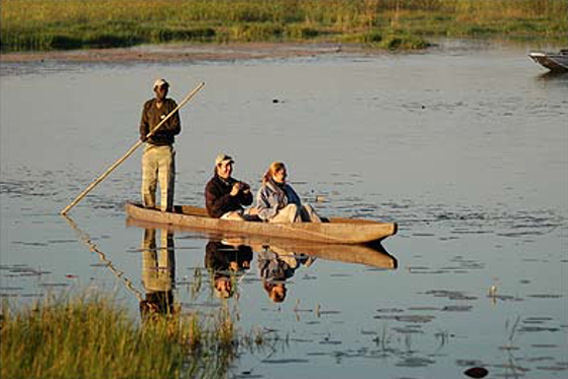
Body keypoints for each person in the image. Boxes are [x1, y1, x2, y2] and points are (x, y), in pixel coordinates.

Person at [140, 78, 181, 212]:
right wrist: (144, 135)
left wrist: (161, 131)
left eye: (166, 89)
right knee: (148, 183)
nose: (164, 91)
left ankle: (166, 210)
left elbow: (176, 128)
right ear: (155, 90)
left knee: (166, 183)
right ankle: (149, 208)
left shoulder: (171, 105)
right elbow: (143, 125)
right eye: (161, 89)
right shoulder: (148, 105)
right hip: (150, 148)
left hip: (165, 149)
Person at [255, 161, 321, 223]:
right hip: (274, 217)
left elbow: (298, 202)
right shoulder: (264, 190)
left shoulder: (288, 188)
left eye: (285, 173)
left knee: (307, 206)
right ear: (274, 174)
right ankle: (298, 228)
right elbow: (261, 212)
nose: (286, 176)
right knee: (293, 208)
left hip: (291, 214)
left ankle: (320, 226)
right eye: (283, 174)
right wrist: (276, 209)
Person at [205, 153, 258, 220]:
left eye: (230, 165)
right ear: (219, 167)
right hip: (222, 216)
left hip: (239, 212)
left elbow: (247, 202)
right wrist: (230, 195)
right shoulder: (212, 186)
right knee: (238, 218)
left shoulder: (233, 182)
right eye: (226, 166)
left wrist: (246, 193)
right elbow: (213, 208)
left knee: (259, 212)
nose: (229, 168)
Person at [139, 228, 176, 317]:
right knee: (166, 243)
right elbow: (174, 310)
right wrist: (158, 308)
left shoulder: (146, 324)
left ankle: (150, 224)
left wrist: (147, 305)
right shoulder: (167, 322)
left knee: (147, 247)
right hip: (165, 287)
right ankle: (165, 220)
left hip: (150, 287)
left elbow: (141, 304)